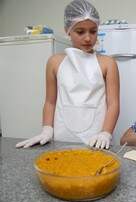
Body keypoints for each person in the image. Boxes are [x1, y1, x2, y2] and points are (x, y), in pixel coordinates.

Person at [16, 0, 120, 149]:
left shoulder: (108, 63)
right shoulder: (55, 62)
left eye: (93, 31)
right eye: (80, 31)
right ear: (68, 30)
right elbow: (50, 102)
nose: (88, 38)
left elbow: (113, 104)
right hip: (61, 137)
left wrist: (105, 133)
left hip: (96, 140)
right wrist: (47, 129)